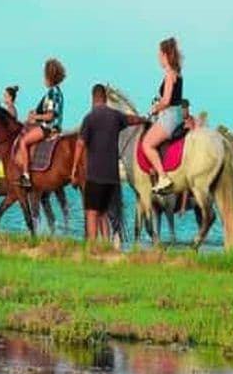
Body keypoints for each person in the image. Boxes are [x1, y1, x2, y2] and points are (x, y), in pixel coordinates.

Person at [72, 84, 146, 242]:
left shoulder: (89, 118)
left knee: (92, 212)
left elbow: (79, 144)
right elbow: (131, 120)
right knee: (104, 212)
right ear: (105, 97)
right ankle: (106, 244)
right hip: (113, 176)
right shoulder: (116, 116)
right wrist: (143, 119)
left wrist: (73, 170)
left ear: (93, 98)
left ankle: (92, 247)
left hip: (95, 175)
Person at [15, 59, 66, 189]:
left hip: (48, 128)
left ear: (49, 77)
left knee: (23, 142)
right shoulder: (58, 92)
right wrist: (36, 115)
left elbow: (50, 115)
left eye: (45, 75)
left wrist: (35, 117)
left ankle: (26, 176)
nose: (43, 79)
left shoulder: (51, 93)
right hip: (55, 127)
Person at [141, 37, 183, 194]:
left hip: (169, 115)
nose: (158, 57)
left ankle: (163, 176)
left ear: (165, 55)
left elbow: (166, 101)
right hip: (177, 114)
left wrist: (154, 109)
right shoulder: (177, 73)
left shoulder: (169, 74)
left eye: (159, 54)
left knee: (147, 144)